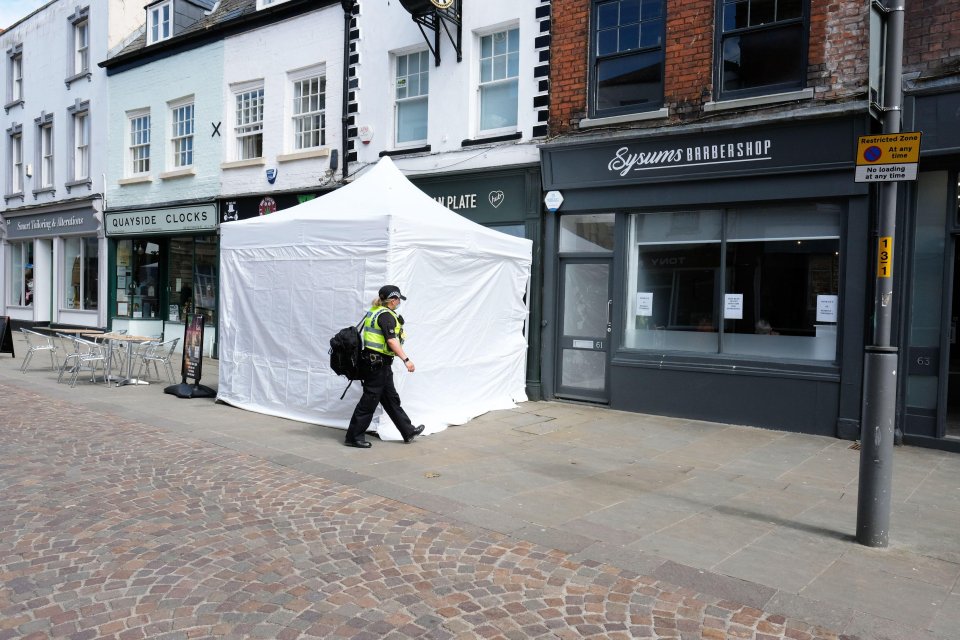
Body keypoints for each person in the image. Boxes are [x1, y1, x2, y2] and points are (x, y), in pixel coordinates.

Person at [344, 285, 425, 448]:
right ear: (393, 300)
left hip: (377, 362)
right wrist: (406, 359)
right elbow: (391, 340)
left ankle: (407, 431)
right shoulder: (386, 316)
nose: (399, 302)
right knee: (369, 400)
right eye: (398, 299)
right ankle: (353, 437)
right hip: (377, 364)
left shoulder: (374, 311)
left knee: (390, 399)